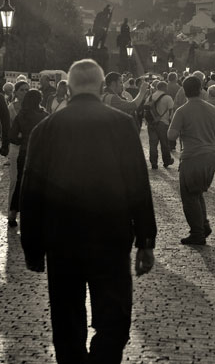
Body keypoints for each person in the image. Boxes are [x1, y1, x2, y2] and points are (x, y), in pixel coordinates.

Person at [20, 59, 157, 364]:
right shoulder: (122, 125)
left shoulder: (45, 129)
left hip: (62, 241)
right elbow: (138, 184)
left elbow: (31, 192)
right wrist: (146, 240)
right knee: (115, 319)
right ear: (100, 86)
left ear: (67, 88)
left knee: (67, 323)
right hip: (111, 238)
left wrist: (32, 247)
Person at [168, 76, 215, 245]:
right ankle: (204, 225)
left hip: (192, 156)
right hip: (211, 154)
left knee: (189, 196)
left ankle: (197, 233)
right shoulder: (214, 110)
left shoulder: (182, 111)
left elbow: (171, 135)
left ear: (184, 91)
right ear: (201, 90)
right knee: (197, 192)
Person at [9, 89, 48, 225]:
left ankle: (13, 214)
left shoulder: (21, 115)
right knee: (38, 186)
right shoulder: (45, 116)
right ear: (40, 100)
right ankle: (34, 216)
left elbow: (12, 137)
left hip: (24, 152)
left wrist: (22, 139)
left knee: (20, 183)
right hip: (41, 155)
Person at [7, 80, 30, 226]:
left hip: (28, 148)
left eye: (27, 90)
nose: (25, 92)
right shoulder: (11, 108)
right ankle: (11, 212)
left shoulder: (33, 108)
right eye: (22, 90)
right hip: (15, 148)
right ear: (15, 92)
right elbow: (9, 130)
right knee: (15, 180)